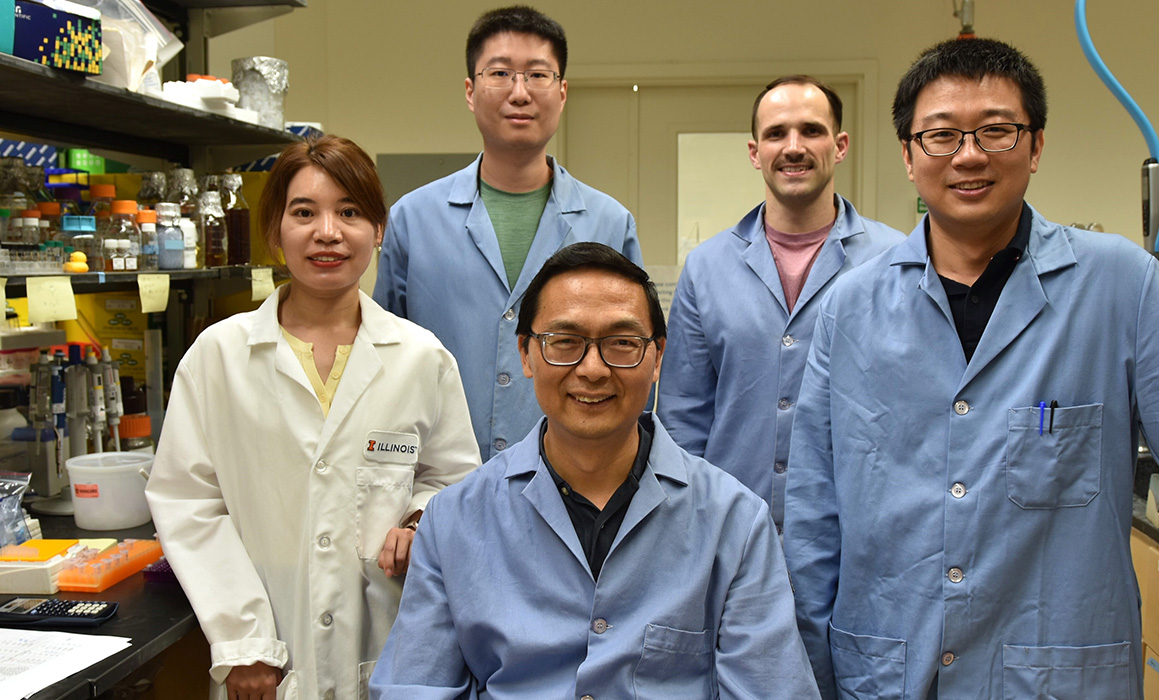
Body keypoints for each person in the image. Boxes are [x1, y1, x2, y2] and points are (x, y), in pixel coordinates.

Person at [784, 38, 1159, 700]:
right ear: (908, 154)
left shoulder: (1120, 286)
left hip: (1056, 679)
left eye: (996, 131)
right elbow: (812, 516)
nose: (970, 154)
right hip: (887, 673)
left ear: (1036, 146)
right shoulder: (849, 309)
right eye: (942, 135)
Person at [371, 242, 820, 700]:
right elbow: (415, 687)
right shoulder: (453, 522)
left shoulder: (735, 522)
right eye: (564, 342)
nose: (592, 369)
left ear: (658, 357)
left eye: (622, 344)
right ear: (526, 354)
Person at [146, 136, 481, 700]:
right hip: (268, 662)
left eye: (350, 212)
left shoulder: (423, 358)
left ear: (378, 231)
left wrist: (420, 520)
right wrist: (244, 643)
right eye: (304, 212)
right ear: (275, 232)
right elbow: (189, 503)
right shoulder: (219, 356)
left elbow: (454, 479)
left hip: (391, 650)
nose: (328, 232)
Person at [374, 5, 641, 463]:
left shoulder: (609, 223)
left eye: (538, 75)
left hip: (575, 477)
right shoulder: (413, 220)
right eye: (500, 73)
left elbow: (634, 360)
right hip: (438, 482)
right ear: (470, 91)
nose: (519, 93)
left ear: (562, 92)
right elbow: (381, 363)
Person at [657, 75, 902, 530]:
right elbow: (682, 419)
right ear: (755, 152)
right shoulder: (706, 268)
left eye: (811, 130)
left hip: (855, 530)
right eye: (776, 133)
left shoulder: (894, 261)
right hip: (728, 529)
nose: (793, 147)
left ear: (841, 144)